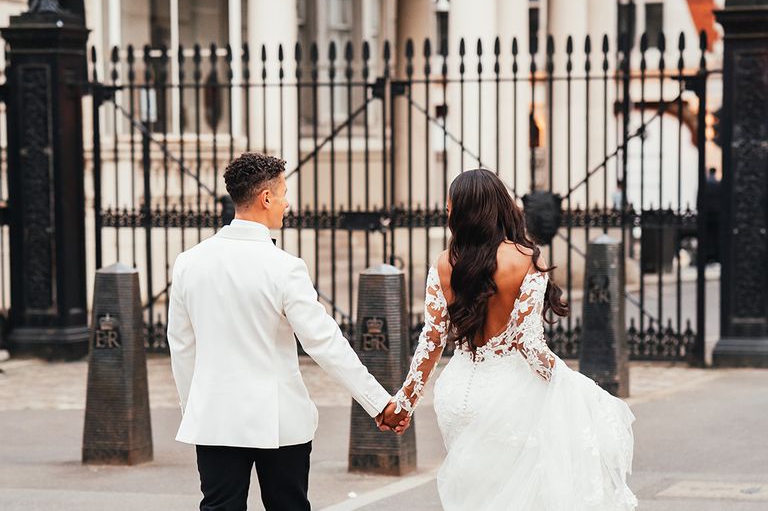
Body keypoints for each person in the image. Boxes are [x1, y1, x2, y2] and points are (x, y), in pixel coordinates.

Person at [382, 169, 637, 510]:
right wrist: (568, 382)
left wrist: (405, 403)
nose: (447, 216)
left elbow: (431, 340)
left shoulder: (444, 263)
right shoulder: (525, 257)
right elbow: (528, 344)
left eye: (449, 209)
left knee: (477, 496)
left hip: (457, 394)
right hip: (509, 395)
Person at [168, 152, 406, 511]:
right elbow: (324, 343)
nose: (286, 201)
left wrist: (195, 407)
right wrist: (378, 403)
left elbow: (182, 346)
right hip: (277, 420)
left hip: (215, 417)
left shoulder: (189, 264)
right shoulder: (284, 268)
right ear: (266, 198)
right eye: (283, 192)